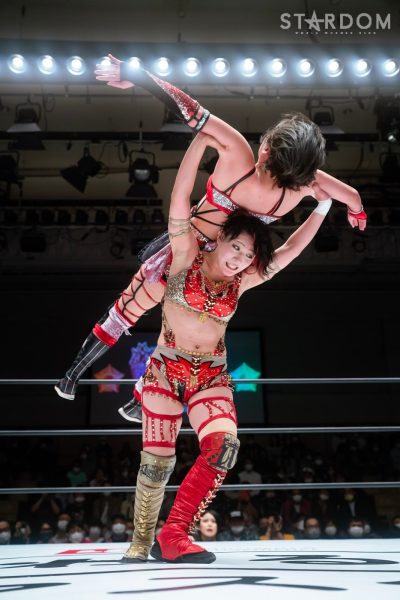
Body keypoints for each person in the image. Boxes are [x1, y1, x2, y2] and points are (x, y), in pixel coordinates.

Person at [55, 54, 367, 415]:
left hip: (183, 255)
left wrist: (137, 75)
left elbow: (188, 108)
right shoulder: (303, 185)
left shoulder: (238, 154)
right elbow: (352, 196)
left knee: (128, 310)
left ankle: (72, 377)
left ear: (266, 149)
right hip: (221, 276)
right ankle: (138, 399)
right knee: (188, 338)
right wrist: (354, 211)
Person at [118, 131, 333, 564]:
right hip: (164, 372)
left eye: (248, 255)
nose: (240, 259)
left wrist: (323, 207)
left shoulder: (243, 281)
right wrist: (199, 142)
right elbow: (180, 198)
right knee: (156, 463)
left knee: (224, 446)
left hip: (211, 376)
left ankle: (174, 534)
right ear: (220, 240)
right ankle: (140, 542)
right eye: (237, 248)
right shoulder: (185, 255)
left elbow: (289, 250)